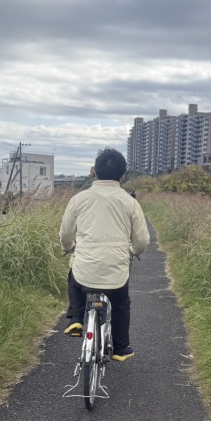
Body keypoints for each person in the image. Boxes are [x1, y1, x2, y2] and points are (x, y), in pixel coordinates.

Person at [59, 148, 150, 361]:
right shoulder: (130, 202)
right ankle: (120, 348)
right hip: (116, 272)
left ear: (94, 171)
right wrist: (133, 251)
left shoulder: (79, 199)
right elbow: (142, 240)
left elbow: (65, 233)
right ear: (122, 175)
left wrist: (68, 247)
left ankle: (76, 318)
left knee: (74, 278)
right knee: (121, 303)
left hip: (85, 269)